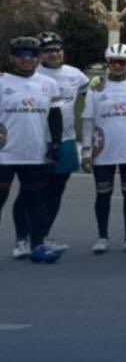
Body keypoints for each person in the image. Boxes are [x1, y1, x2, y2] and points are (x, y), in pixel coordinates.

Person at [81, 43, 126, 254]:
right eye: (114, 62)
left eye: (122, 62)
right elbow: (88, 121)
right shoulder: (96, 87)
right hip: (103, 150)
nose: (118, 66)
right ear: (108, 63)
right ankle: (102, 237)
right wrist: (86, 152)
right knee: (103, 194)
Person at [1, 36, 63, 263]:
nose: (27, 60)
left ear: (38, 58)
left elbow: (55, 117)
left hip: (35, 153)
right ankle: (22, 242)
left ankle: (37, 246)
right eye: (22, 55)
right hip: (4, 154)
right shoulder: (2, 81)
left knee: (36, 202)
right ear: (12, 58)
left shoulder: (48, 84)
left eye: (32, 55)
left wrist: (55, 144)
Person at [29, 31, 87, 254]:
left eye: (57, 49)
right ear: (40, 54)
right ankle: (24, 238)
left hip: (66, 140)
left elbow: (93, 94)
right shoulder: (33, 73)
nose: (54, 54)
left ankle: (44, 235)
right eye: (48, 51)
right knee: (33, 192)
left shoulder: (75, 74)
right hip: (37, 140)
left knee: (56, 190)